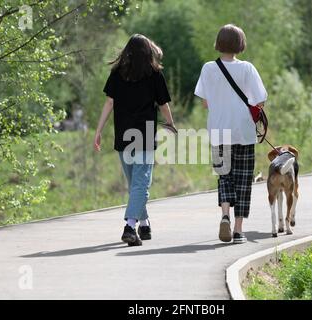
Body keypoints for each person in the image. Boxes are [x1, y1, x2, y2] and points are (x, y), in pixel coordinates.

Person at [94, 34, 176, 246]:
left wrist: (99, 130)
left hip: (124, 136)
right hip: (144, 135)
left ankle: (145, 223)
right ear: (147, 52)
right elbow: (163, 104)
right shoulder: (154, 74)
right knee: (139, 184)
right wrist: (170, 124)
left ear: (127, 51)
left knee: (136, 184)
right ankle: (130, 226)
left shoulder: (117, 74)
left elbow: (109, 103)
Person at [194, 24, 268, 244]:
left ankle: (224, 214)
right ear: (240, 44)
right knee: (244, 180)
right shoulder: (247, 69)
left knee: (224, 176)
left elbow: (205, 103)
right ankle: (238, 230)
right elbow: (260, 101)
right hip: (243, 131)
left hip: (218, 131)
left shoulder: (208, 68)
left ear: (219, 43)